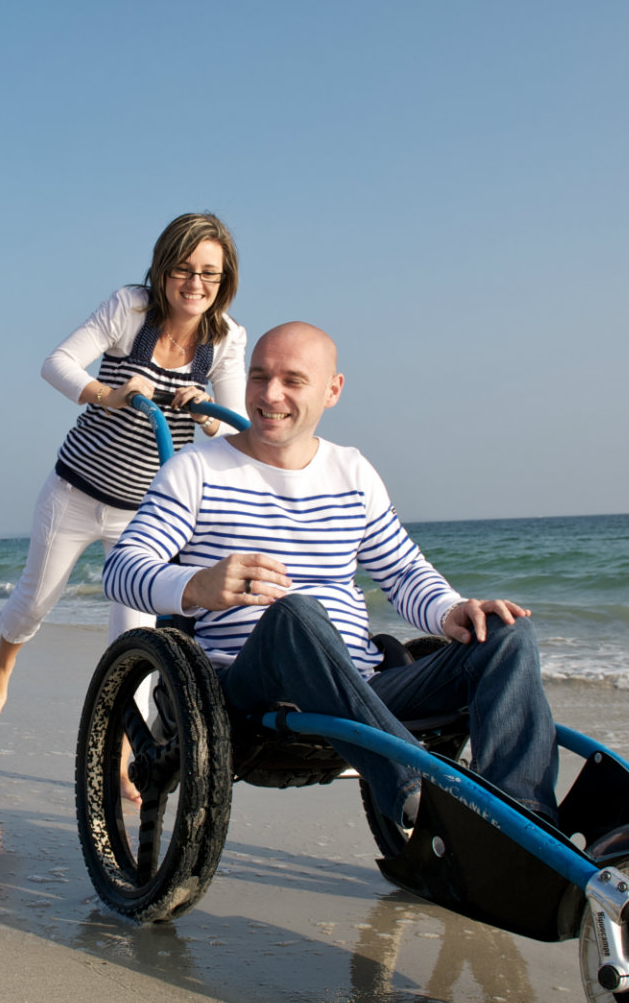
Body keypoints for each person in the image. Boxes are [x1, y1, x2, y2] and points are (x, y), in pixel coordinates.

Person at [102, 322, 559, 837]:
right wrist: (196, 586)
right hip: (246, 687)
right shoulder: (197, 469)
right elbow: (121, 569)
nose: (271, 395)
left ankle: (524, 828)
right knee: (296, 614)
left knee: (505, 632)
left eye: (292, 380)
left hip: (365, 685)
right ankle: (420, 797)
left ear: (332, 390)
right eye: (259, 377)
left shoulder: (351, 471)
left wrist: (453, 610)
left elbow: (403, 571)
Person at [0, 212, 249, 717]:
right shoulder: (131, 309)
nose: (195, 284)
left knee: (136, 641)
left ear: (224, 278)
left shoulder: (226, 339)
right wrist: (111, 395)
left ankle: (124, 750)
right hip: (75, 493)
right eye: (184, 269)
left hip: (147, 514)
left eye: (209, 273)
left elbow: (238, 429)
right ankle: (4, 660)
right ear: (163, 268)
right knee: (34, 602)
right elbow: (56, 364)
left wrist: (205, 415)